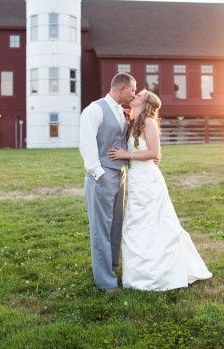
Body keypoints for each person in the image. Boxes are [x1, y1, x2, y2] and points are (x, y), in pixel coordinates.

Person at [108, 89, 212, 291]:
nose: (134, 96)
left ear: (145, 102)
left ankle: (162, 272)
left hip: (148, 180)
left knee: (153, 223)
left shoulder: (148, 122)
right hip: (137, 180)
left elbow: (153, 152)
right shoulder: (133, 121)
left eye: (139, 95)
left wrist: (126, 154)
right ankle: (139, 274)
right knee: (137, 224)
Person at [79, 72, 137, 291]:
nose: (134, 94)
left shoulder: (123, 113)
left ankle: (111, 267)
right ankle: (105, 282)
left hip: (119, 175)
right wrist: (99, 174)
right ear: (122, 89)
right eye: (132, 89)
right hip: (101, 177)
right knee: (100, 229)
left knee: (115, 226)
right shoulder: (94, 110)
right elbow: (86, 144)